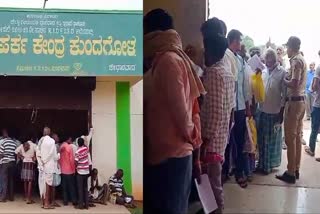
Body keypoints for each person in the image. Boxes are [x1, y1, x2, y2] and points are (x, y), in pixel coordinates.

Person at [143, 9, 205, 214]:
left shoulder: (169, 61)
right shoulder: (163, 60)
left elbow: (182, 112)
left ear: (154, 33)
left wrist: (193, 138)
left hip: (173, 156)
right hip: (166, 155)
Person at [200, 34, 235, 213]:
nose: (203, 53)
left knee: (212, 183)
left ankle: (216, 211)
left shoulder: (214, 74)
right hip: (221, 137)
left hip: (211, 141)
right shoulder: (227, 72)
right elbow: (229, 109)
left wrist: (205, 142)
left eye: (205, 50)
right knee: (213, 181)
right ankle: (212, 209)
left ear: (211, 52)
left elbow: (214, 111)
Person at [276, 36, 306, 184]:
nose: (286, 50)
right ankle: (296, 168)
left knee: (290, 138)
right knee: (298, 138)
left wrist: (284, 80)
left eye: (287, 47)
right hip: (301, 103)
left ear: (291, 47)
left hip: (293, 104)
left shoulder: (295, 60)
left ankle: (290, 172)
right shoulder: (301, 59)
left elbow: (293, 83)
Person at [256, 49, 286, 174]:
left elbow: (284, 95)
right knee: (261, 140)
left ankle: (268, 166)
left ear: (275, 60)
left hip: (274, 111)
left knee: (271, 141)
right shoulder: (263, 72)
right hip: (261, 110)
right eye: (266, 60)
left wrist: (281, 112)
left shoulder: (282, 72)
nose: (267, 62)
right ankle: (261, 164)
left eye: (270, 60)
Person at [227, 29, 251, 188]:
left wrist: (248, 107)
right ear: (233, 41)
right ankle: (226, 170)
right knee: (227, 141)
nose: (241, 44)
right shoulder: (224, 57)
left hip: (240, 107)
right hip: (229, 107)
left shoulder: (240, 60)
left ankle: (239, 171)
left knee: (240, 140)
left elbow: (244, 86)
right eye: (239, 41)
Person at [39, 127, 60, 209]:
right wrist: (58, 155)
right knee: (48, 185)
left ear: (44, 132)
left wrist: (42, 162)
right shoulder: (52, 141)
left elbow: (38, 152)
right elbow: (54, 156)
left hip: (42, 166)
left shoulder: (41, 140)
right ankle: (47, 204)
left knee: (42, 184)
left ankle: (43, 202)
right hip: (49, 165)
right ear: (49, 132)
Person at [305, 63, 320, 160]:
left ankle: (311, 149)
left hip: (318, 103)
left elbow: (314, 86)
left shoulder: (319, 68)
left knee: (314, 127)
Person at [15, 140, 36, 204]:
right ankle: (29, 198)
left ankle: (26, 196)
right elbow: (37, 153)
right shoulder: (34, 145)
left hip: (24, 163)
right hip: (30, 164)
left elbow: (16, 152)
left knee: (25, 181)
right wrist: (34, 157)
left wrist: (21, 157)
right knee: (30, 181)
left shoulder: (22, 145)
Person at [0, 129, 18, 202]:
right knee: (11, 180)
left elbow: (1, 153)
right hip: (12, 162)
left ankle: (3, 197)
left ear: (6, 134)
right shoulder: (14, 143)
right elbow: (15, 153)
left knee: (4, 180)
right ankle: (11, 197)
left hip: (5, 162)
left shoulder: (3, 142)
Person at [59, 136, 77, 206]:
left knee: (64, 186)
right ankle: (74, 200)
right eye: (70, 139)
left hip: (63, 170)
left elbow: (59, 159)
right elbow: (71, 159)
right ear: (68, 139)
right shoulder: (69, 147)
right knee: (71, 186)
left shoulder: (61, 147)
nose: (71, 140)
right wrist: (74, 169)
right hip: (69, 170)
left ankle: (65, 201)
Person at [75, 138, 92, 210]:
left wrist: (76, 167)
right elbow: (89, 160)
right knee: (85, 188)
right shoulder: (86, 149)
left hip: (80, 172)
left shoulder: (77, 151)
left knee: (80, 189)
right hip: (86, 171)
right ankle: (87, 205)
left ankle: (80, 205)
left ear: (78, 143)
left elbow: (76, 162)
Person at [51, 133, 61, 207]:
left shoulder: (50, 146)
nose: (58, 138)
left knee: (50, 185)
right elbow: (57, 157)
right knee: (54, 185)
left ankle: (50, 200)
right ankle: (53, 201)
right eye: (57, 137)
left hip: (50, 167)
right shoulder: (56, 146)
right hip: (54, 167)